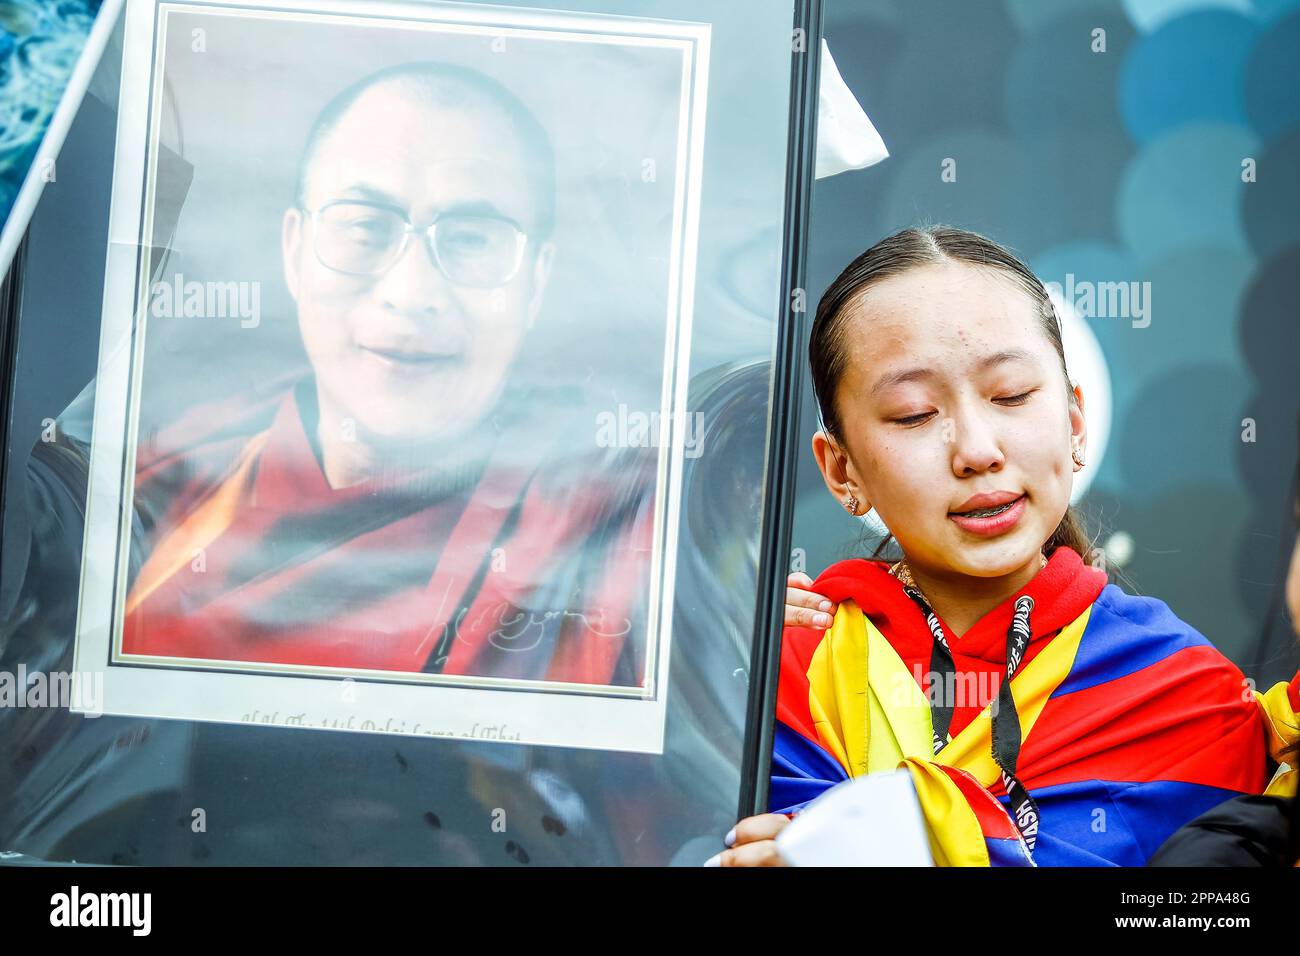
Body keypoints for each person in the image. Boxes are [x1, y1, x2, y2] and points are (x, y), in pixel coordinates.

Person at [712, 226, 1269, 866]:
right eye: (914, 413)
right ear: (843, 472)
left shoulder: (1185, 696)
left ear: (1075, 421)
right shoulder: (777, 670)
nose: (977, 450)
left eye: (1011, 395)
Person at [115, 61, 654, 684]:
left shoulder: (617, 523)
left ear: (535, 282)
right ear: (294, 252)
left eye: (472, 238)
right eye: (365, 226)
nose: (411, 289)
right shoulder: (161, 486)